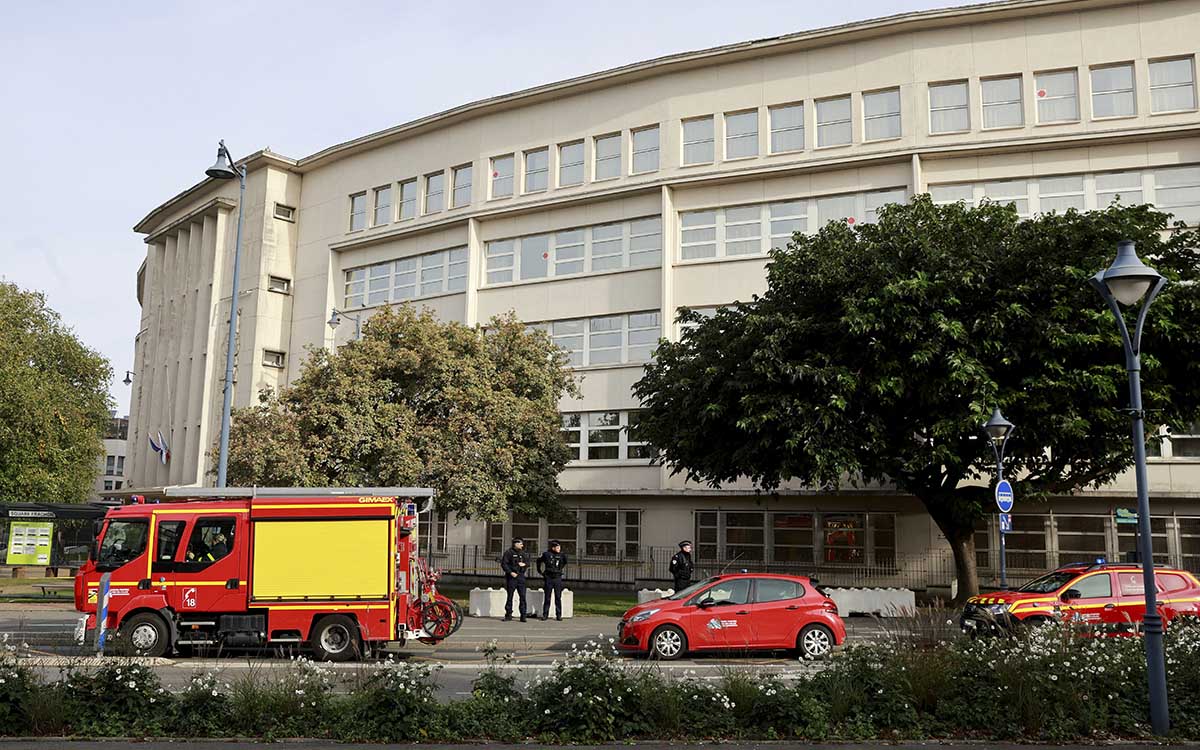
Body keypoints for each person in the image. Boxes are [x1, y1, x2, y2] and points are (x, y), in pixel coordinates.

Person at [537, 539, 569, 621]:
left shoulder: (562, 555)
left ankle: (558, 615)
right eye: (557, 547)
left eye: (559, 547)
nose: (559, 549)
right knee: (547, 597)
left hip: (557, 578)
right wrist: (540, 571)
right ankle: (545, 614)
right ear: (553, 547)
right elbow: (539, 561)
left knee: (558, 597)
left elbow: (565, 562)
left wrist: (559, 569)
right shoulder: (546, 554)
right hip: (549, 577)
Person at [500, 537, 530, 622]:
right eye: (520, 544)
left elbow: (528, 563)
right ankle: (508, 614)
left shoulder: (523, 553)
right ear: (515, 544)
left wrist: (524, 564)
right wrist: (510, 572)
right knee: (510, 596)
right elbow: (504, 564)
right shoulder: (508, 553)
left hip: (521, 577)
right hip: (512, 577)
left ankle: (523, 615)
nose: (522, 545)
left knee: (523, 597)